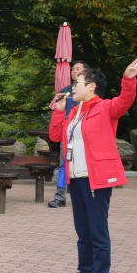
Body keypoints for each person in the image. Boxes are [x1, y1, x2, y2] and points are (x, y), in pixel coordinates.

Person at [51, 57, 137, 273]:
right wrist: (59, 112)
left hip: (97, 178)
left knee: (97, 230)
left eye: (79, 82)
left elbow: (125, 102)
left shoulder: (105, 108)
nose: (74, 87)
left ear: (92, 86)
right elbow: (56, 137)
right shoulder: (74, 112)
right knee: (83, 230)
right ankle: (84, 272)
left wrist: (128, 79)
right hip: (77, 177)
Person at [48, 60, 89, 209]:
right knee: (63, 164)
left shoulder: (89, 92)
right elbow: (57, 111)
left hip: (85, 136)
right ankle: (60, 196)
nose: (74, 72)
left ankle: (86, 195)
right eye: (73, 69)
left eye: (78, 69)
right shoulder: (64, 91)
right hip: (67, 135)